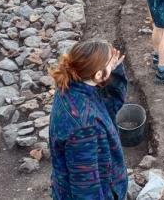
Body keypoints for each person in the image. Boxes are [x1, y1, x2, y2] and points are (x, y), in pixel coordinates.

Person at [49, 39, 128, 200]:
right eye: (109, 63)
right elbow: (86, 189)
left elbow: (111, 105)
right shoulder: (85, 128)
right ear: (98, 75)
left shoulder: (71, 85)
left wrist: (114, 71)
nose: (111, 63)